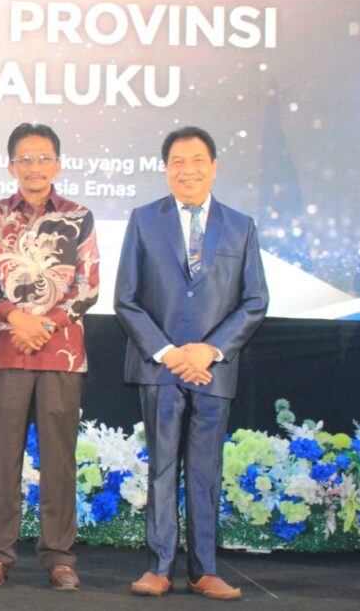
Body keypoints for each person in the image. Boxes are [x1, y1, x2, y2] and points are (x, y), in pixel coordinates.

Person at [114, 126, 268, 601]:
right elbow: (126, 299)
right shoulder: (144, 220)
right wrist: (170, 353)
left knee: (205, 471)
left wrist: (210, 350)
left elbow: (255, 300)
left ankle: (205, 570)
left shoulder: (240, 225)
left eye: (198, 160)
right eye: (177, 162)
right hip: (160, 367)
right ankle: (158, 567)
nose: (188, 170)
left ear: (214, 166)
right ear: (166, 169)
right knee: (162, 468)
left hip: (213, 369)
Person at [0, 123, 99, 591]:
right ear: (11, 166)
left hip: (61, 354)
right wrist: (15, 319)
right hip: (6, 352)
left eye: (43, 158)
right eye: (25, 159)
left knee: (59, 461)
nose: (34, 167)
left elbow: (88, 285)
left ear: (57, 165)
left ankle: (60, 558)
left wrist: (44, 326)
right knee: (2, 459)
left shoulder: (78, 216)